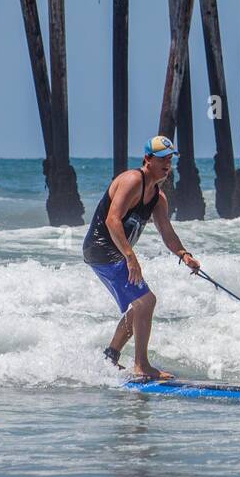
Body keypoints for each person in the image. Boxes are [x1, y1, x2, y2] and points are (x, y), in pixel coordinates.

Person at [83, 136, 201, 379]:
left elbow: (167, 231)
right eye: (162, 160)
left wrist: (185, 255)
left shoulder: (158, 197)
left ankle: (110, 357)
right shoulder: (132, 180)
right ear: (148, 159)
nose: (167, 165)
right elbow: (112, 220)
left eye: (169, 160)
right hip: (102, 248)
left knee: (139, 306)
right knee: (146, 302)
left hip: (115, 252)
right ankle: (142, 365)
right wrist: (130, 256)